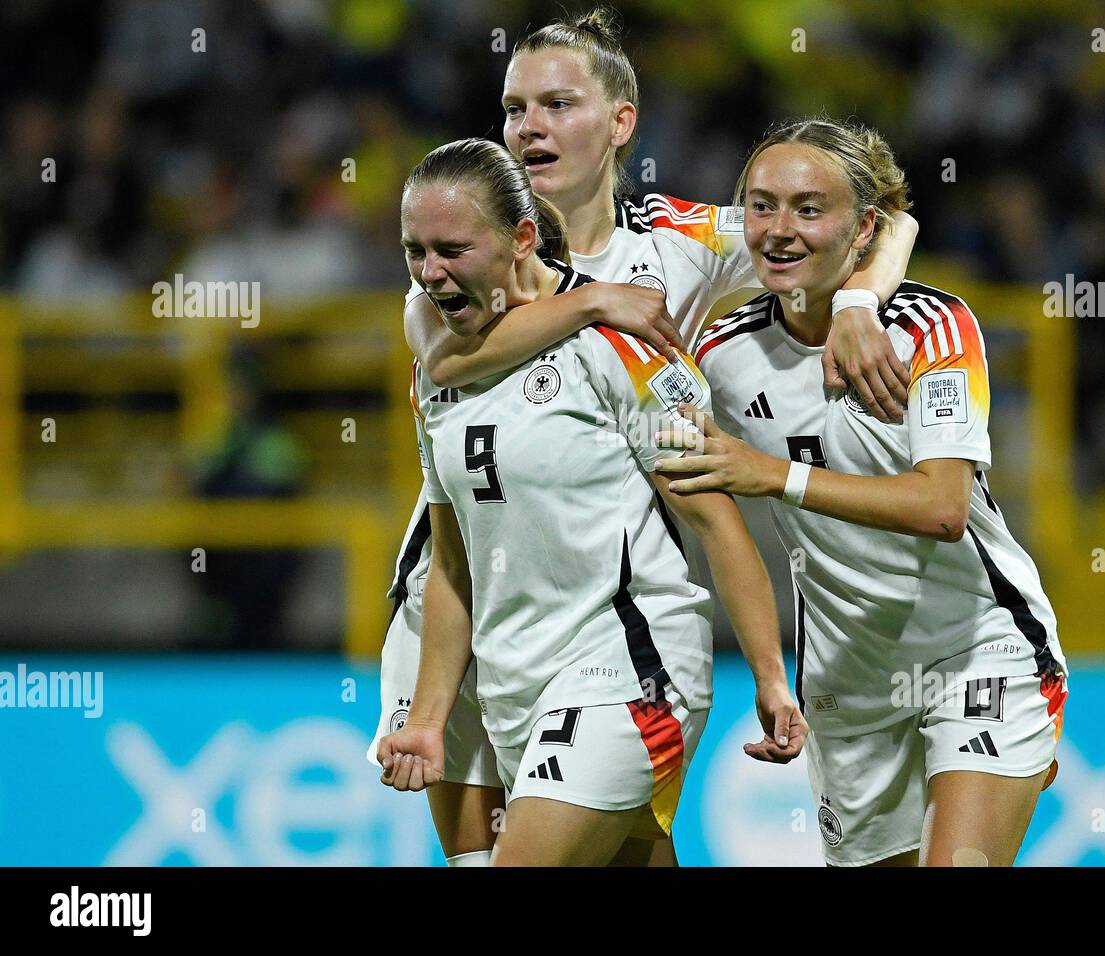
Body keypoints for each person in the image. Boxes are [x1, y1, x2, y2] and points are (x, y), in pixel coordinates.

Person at [368, 7, 918, 866]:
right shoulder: (454, 259)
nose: (529, 128)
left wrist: (853, 304)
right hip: (470, 581)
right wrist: (588, 299)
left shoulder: (683, 242)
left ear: (622, 122)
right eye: (514, 109)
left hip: (612, 601)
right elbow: (440, 365)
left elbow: (877, 215)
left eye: (556, 105)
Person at [375, 138, 804, 866]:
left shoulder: (619, 345)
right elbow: (453, 566)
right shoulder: (436, 372)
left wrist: (770, 674)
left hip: (628, 669)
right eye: (414, 251)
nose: (429, 274)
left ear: (519, 239)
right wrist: (427, 718)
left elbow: (714, 518)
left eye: (451, 249)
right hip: (515, 684)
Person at [658, 119, 1069, 867]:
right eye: (760, 206)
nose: (779, 231)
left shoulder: (933, 327)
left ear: (863, 229)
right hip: (848, 685)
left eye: (810, 210)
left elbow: (943, 509)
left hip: (977, 651)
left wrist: (774, 473)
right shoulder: (720, 354)